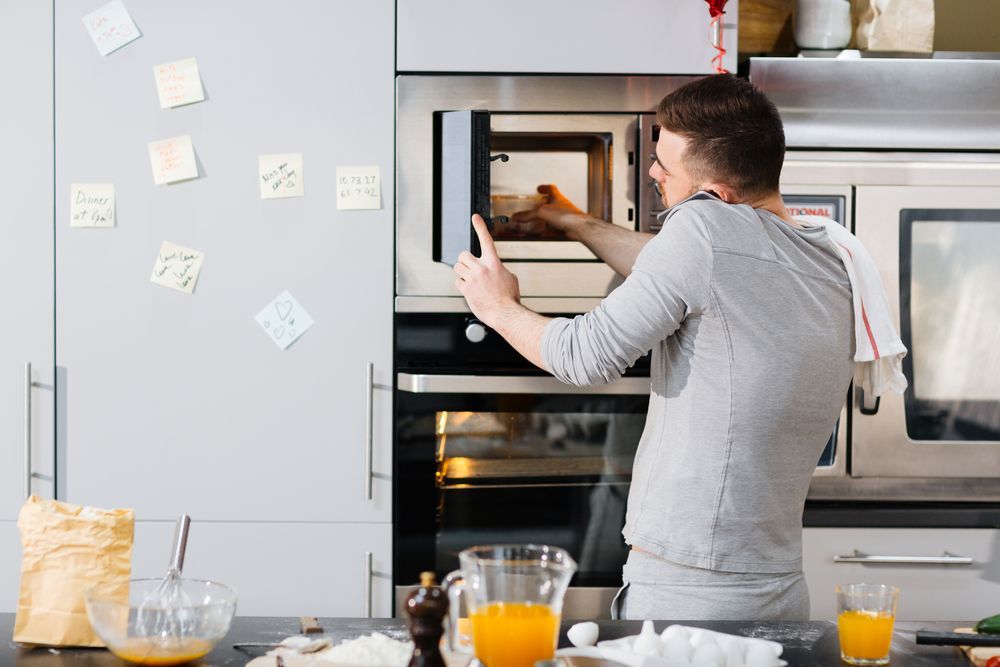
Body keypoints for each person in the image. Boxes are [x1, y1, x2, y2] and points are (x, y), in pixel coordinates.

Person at [452, 74, 857, 621]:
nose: (651, 171)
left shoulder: (705, 231)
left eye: (666, 166)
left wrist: (497, 306)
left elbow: (583, 356)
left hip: (691, 590)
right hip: (778, 582)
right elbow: (673, 263)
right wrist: (572, 221)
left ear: (719, 197)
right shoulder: (825, 253)